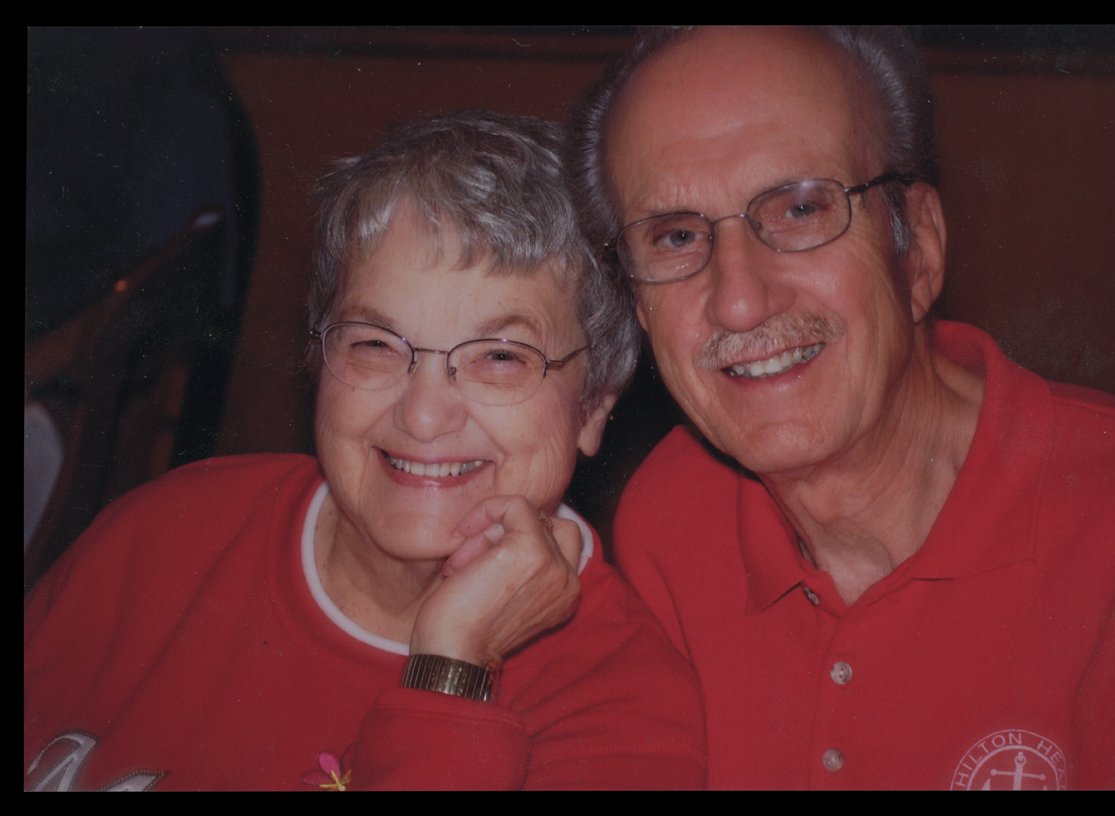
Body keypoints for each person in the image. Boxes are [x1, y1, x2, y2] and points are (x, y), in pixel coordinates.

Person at [567, 26, 1115, 789]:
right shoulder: (668, 521)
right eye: (677, 235)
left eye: (798, 209)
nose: (740, 299)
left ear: (915, 247)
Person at [24, 112, 704, 791]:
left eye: (501, 356)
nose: (424, 413)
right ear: (318, 360)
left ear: (594, 406)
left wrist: (452, 670)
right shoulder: (165, 534)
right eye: (375, 344)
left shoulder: (625, 709)